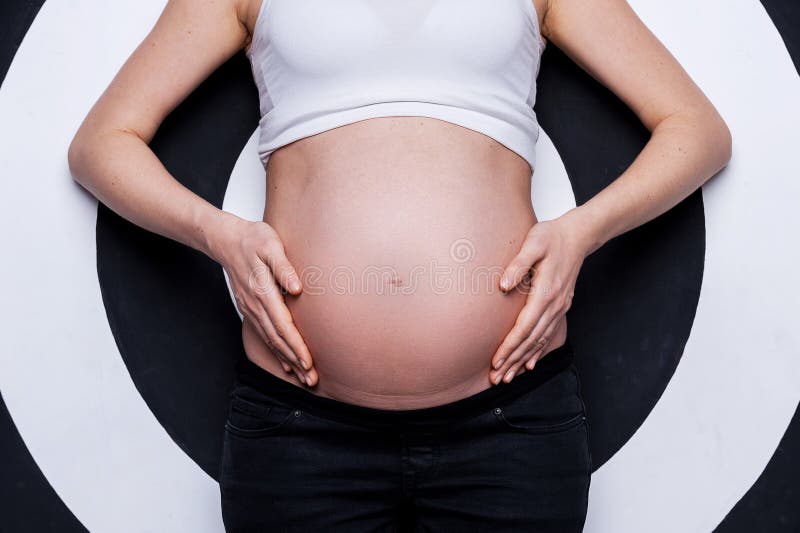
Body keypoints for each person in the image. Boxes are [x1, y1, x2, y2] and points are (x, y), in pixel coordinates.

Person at [68, 0, 732, 530]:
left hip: (509, 427)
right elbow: (102, 143)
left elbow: (697, 129)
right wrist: (219, 234)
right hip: (301, 433)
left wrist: (582, 232)